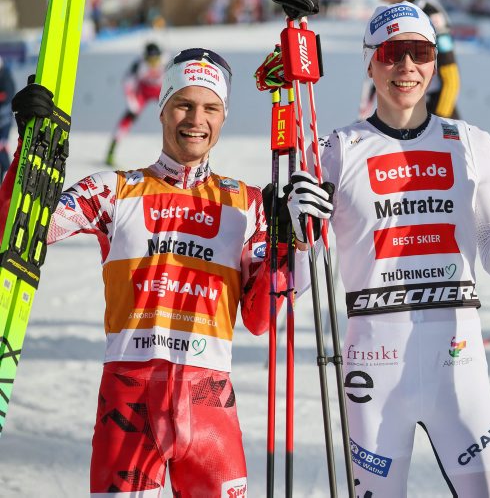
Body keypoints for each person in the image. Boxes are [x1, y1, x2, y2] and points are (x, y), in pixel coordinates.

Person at [2, 48, 313, 496]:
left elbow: (261, 318)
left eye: (210, 108)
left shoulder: (247, 205)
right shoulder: (112, 191)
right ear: (162, 107)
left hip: (210, 408)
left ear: (223, 117)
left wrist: (293, 245)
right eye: (183, 104)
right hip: (128, 403)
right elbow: (17, 232)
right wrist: (28, 154)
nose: (196, 120)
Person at [290, 1, 490, 497]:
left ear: (434, 62)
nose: (406, 66)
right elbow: (299, 282)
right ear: (370, 63)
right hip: (374, 366)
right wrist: (298, 234)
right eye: (391, 53)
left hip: (459, 363)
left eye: (420, 52)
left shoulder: (471, 142)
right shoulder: (335, 150)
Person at [362, 0, 461, 120]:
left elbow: (450, 78)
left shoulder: (430, 13)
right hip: (398, 116)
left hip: (431, 113)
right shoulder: (388, 14)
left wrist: (439, 123)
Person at [105, 41, 165, 167]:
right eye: (150, 60)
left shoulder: (165, 62)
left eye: (156, 59)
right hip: (143, 91)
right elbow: (127, 82)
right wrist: (131, 101)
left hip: (160, 91)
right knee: (128, 118)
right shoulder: (138, 64)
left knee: (173, 115)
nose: (153, 63)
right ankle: (111, 151)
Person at [0, 55, 15, 180]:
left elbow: (8, 95)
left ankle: (7, 172)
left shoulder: (5, 76)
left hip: (4, 119)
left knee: (2, 145)